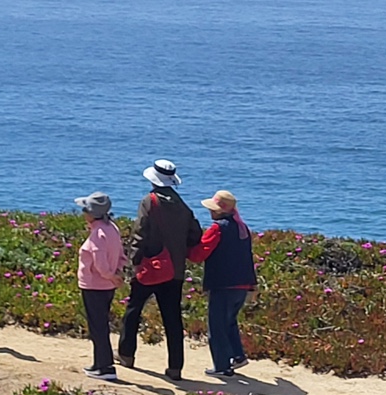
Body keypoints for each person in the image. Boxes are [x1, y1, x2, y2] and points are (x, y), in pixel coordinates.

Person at [119, 159, 202, 381]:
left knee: (133, 310)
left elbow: (139, 233)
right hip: (174, 271)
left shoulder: (149, 201)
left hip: (149, 267)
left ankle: (126, 355)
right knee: (173, 319)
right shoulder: (183, 206)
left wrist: (133, 263)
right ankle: (175, 368)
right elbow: (196, 235)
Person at [188, 190, 257, 378]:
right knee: (229, 322)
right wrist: (253, 284)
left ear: (219, 211)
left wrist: (184, 248)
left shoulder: (217, 229)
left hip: (223, 285)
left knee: (217, 326)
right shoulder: (242, 228)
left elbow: (199, 254)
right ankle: (237, 356)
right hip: (242, 285)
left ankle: (222, 367)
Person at [75, 191, 124, 382]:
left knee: (98, 326)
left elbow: (100, 264)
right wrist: (117, 274)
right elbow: (120, 255)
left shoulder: (98, 234)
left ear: (91, 213)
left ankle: (105, 367)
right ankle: (99, 363)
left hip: (95, 285)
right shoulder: (112, 228)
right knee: (100, 324)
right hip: (106, 287)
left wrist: (111, 276)